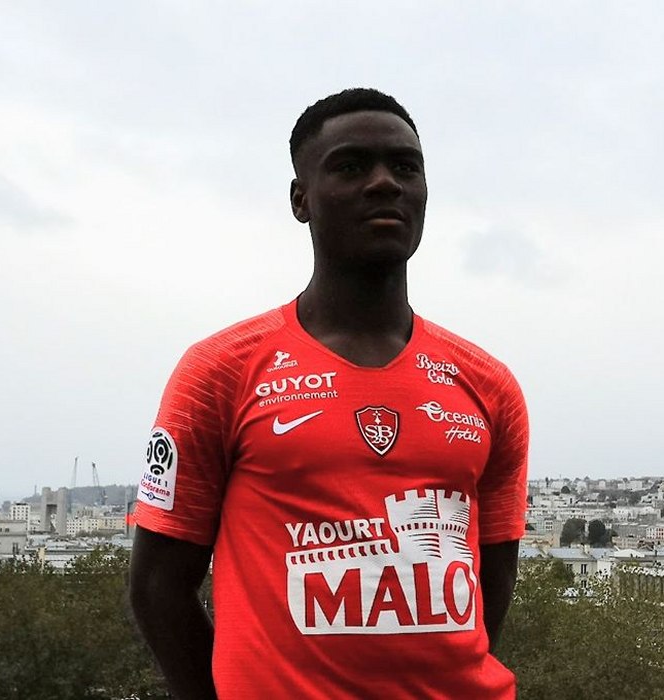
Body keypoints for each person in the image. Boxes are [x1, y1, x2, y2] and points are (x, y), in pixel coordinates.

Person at [129, 88, 529, 700]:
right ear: (300, 199)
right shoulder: (220, 370)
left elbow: (491, 582)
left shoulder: (488, 383)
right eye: (350, 166)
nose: (384, 183)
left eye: (406, 167)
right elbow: (158, 589)